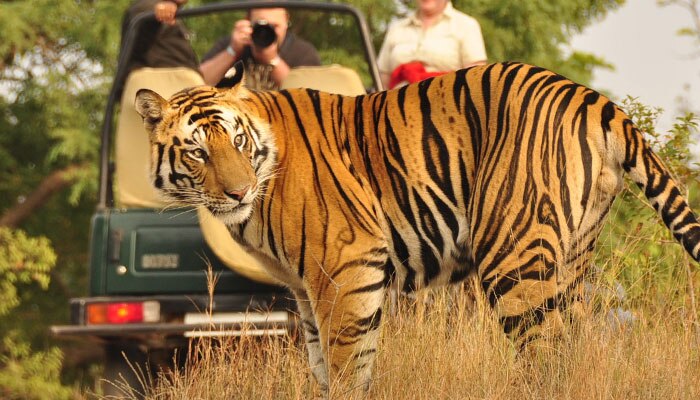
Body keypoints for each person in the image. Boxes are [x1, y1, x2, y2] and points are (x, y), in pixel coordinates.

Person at [199, 7, 321, 89]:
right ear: (247, 21)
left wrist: (273, 60)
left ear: (286, 21)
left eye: (274, 26)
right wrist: (232, 51)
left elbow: (309, 99)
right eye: (260, 25)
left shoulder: (304, 52)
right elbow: (198, 83)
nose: (265, 32)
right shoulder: (231, 45)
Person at [376, 0, 487, 89]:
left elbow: (475, 79)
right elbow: (382, 78)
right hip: (396, 107)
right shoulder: (397, 28)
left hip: (445, 106)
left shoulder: (466, 25)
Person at [120, 0, 199, 77]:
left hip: (185, 80)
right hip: (157, 81)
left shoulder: (176, 20)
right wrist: (160, 9)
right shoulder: (144, 7)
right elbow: (146, 15)